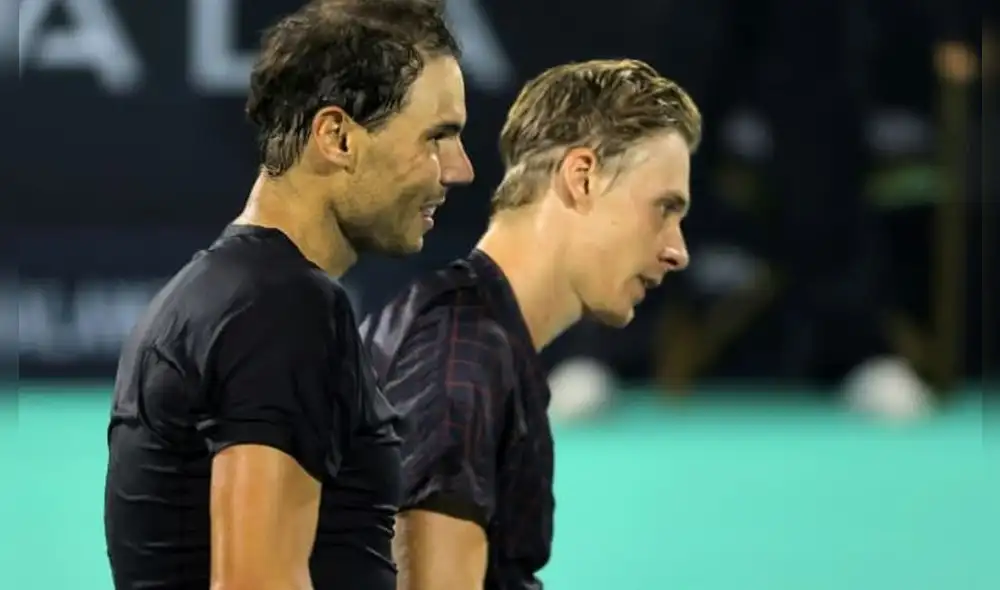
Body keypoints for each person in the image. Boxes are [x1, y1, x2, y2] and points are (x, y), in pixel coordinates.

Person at [103, 1, 473, 589]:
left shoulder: (220, 297)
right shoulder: (283, 311)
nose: (459, 169)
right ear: (337, 137)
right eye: (437, 137)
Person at [361, 59, 701, 590]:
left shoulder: (475, 342)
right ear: (582, 178)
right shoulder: (461, 367)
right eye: (663, 209)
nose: (676, 250)